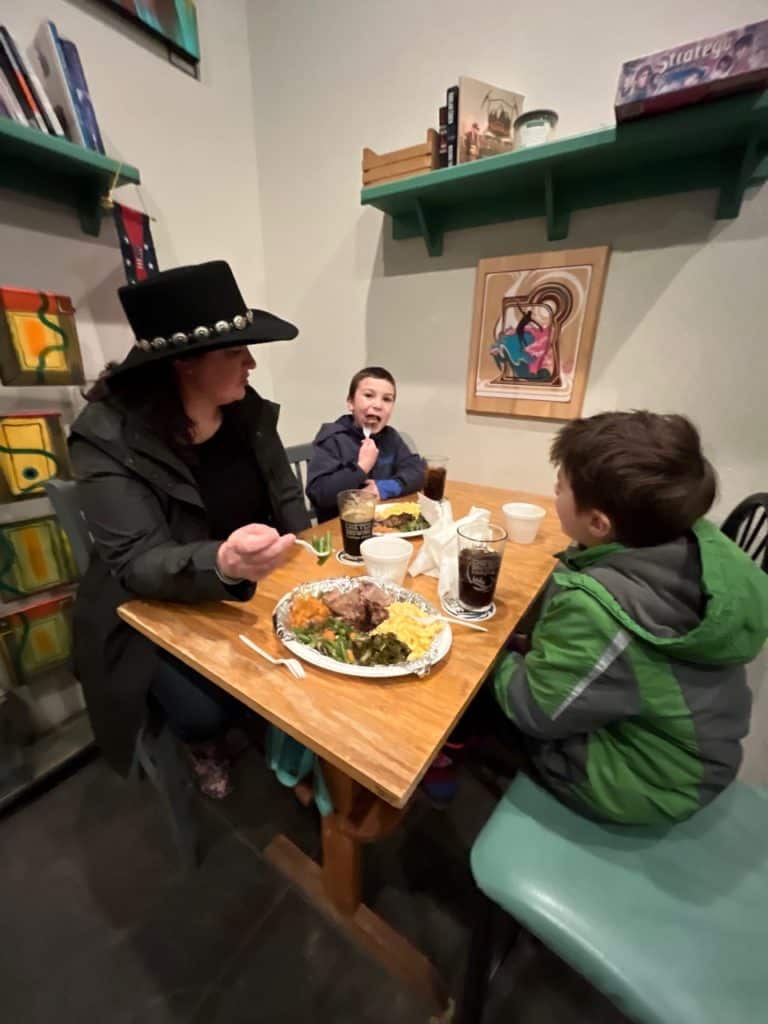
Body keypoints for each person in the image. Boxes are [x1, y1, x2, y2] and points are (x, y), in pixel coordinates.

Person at [433, 412, 768, 823]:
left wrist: (493, 651)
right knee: (512, 651)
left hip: (647, 781)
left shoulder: (597, 607)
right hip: (699, 749)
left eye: (561, 486)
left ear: (598, 523)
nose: (554, 489)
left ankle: (442, 774)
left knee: (467, 684)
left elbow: (534, 710)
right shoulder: (689, 541)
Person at [69, 261, 309, 798]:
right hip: (149, 608)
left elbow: (285, 493)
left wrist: (310, 554)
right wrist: (221, 562)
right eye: (233, 351)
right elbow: (137, 561)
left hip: (242, 582)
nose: (250, 362)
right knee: (204, 712)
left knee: (323, 646)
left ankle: (298, 750)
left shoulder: (244, 411)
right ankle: (203, 745)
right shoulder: (107, 437)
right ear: (185, 365)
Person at [305, 366, 425, 522]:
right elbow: (320, 494)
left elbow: (418, 472)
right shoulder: (333, 439)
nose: (378, 405)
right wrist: (361, 467)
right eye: (369, 395)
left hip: (384, 524)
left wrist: (384, 488)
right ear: (350, 403)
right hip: (342, 528)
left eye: (387, 399)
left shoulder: (390, 437)